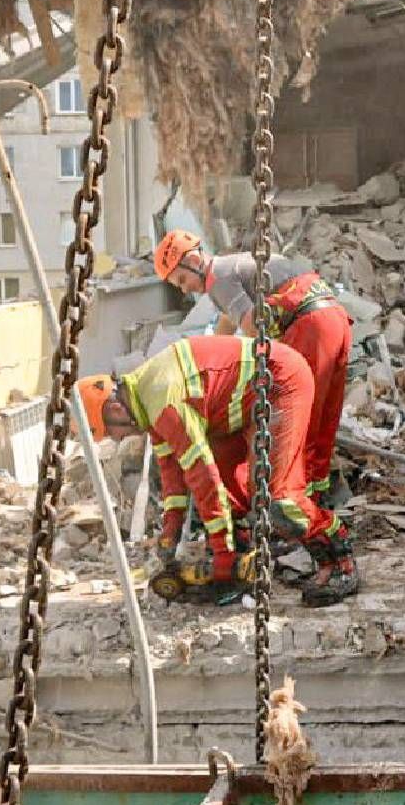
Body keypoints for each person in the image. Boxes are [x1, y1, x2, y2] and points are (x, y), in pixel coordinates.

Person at [77, 334, 358, 607]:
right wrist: (171, 527)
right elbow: (171, 469)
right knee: (229, 497)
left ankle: (337, 557)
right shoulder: (145, 400)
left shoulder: (163, 401)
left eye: (112, 433)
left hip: (279, 381)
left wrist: (220, 553)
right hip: (234, 405)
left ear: (114, 409)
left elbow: (203, 477)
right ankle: (242, 561)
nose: (118, 439)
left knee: (280, 502)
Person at [152, 231, 352, 502]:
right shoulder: (234, 268)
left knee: (298, 419)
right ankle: (321, 493)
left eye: (182, 280)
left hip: (309, 328)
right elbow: (226, 326)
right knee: (324, 414)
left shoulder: (218, 279)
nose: (185, 289)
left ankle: (299, 503)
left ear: (195, 260)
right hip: (333, 316)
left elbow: (252, 326)